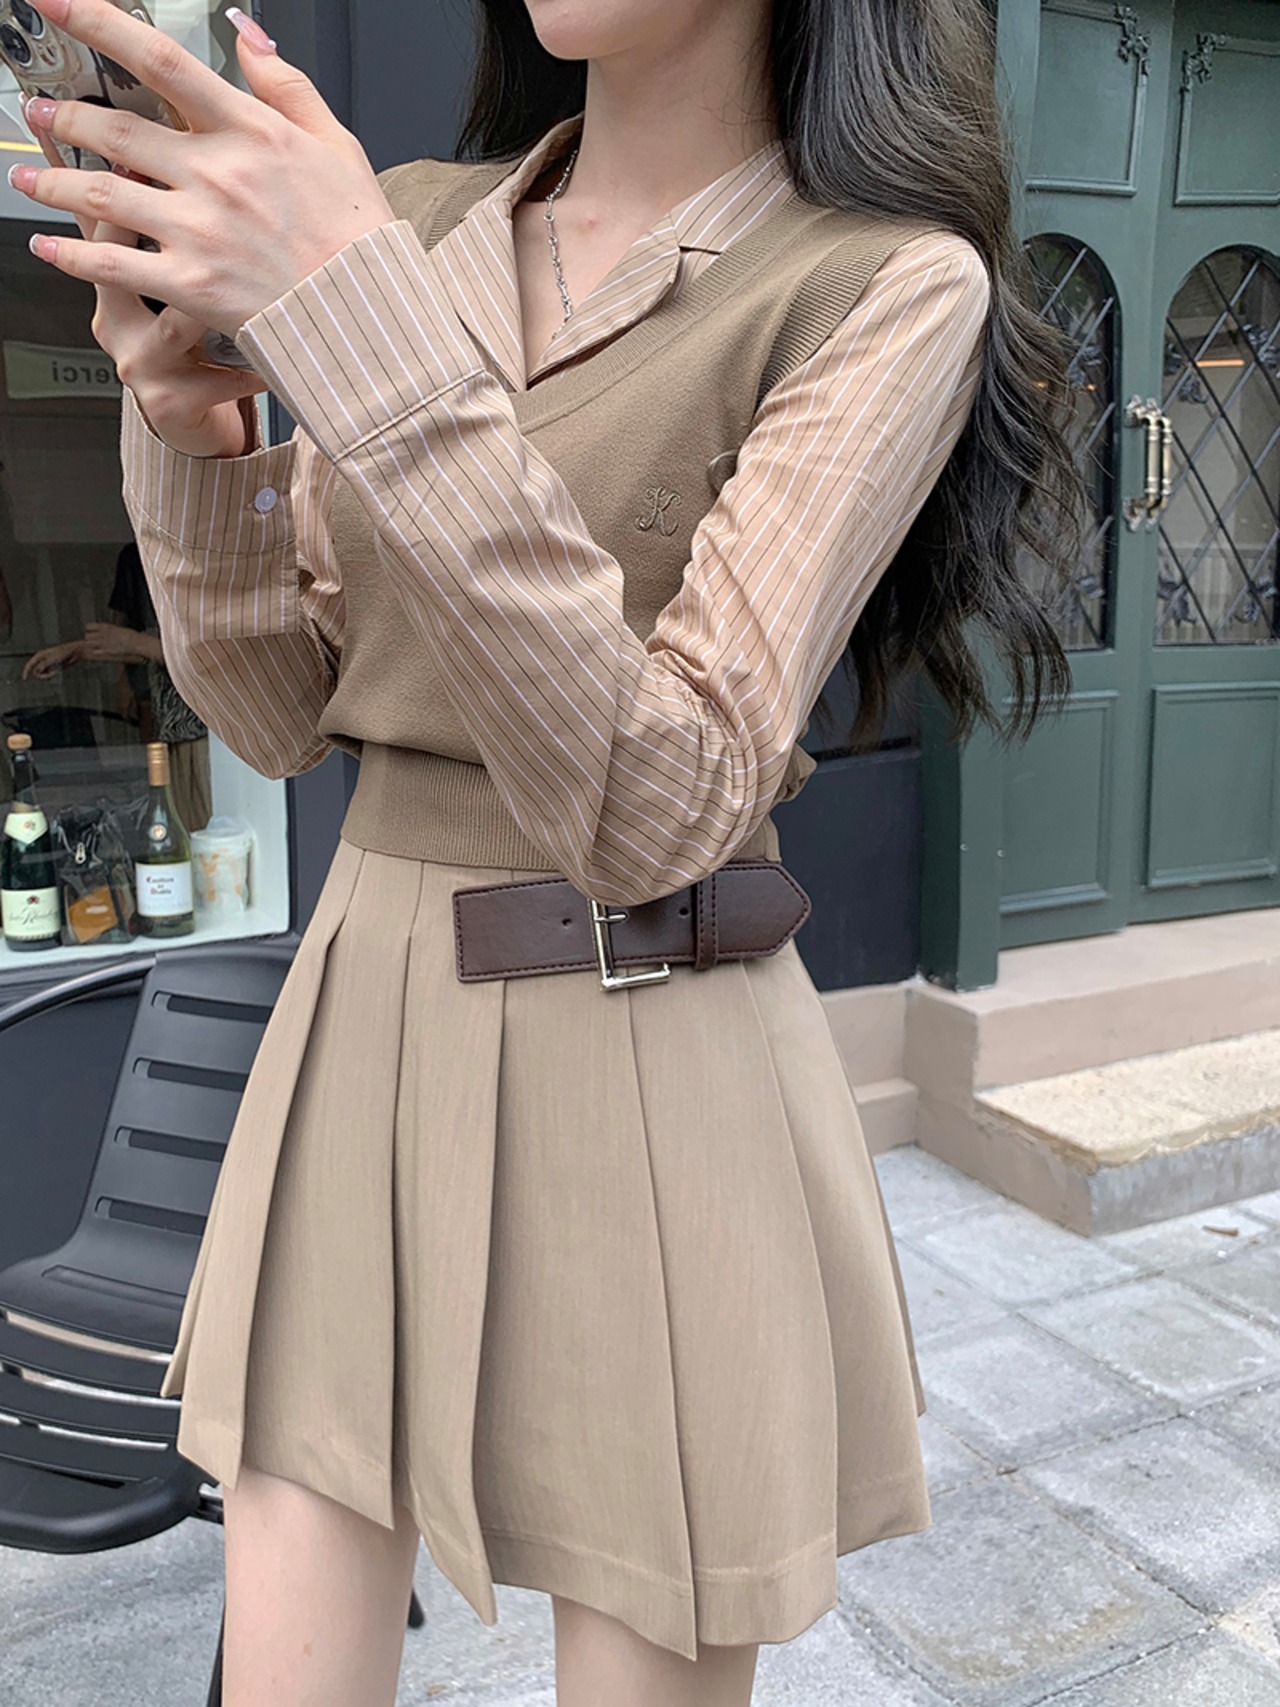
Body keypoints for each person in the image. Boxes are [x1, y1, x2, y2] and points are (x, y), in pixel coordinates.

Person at [14, 1, 1079, 1702]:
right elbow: (281, 720)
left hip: (659, 1048)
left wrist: (359, 327)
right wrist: (194, 433)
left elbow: (662, 803)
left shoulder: (879, 282)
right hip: (362, 1018)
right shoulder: (410, 222)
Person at [23, 541, 211, 832]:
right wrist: (79, 650)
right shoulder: (144, 556)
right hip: (178, 728)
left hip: (210, 731)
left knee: (207, 834)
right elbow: (159, 648)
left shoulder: (206, 556)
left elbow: (211, 655)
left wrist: (132, 642)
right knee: (188, 831)